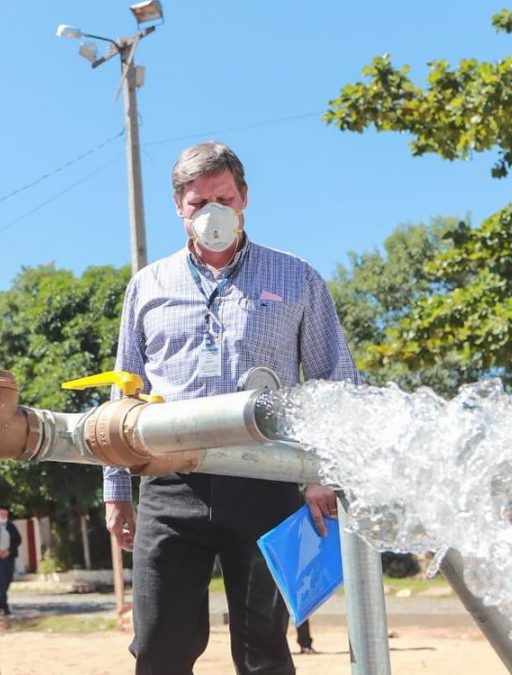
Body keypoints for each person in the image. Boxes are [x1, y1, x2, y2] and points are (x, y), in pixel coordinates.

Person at [103, 141, 359, 674]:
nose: (211, 213)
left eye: (223, 197)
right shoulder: (147, 286)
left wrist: (323, 471)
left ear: (244, 198)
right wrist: (117, 489)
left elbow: (335, 381)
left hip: (265, 480)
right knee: (156, 648)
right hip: (171, 482)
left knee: (263, 650)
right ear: (179, 207)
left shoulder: (297, 278)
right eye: (199, 203)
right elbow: (123, 394)